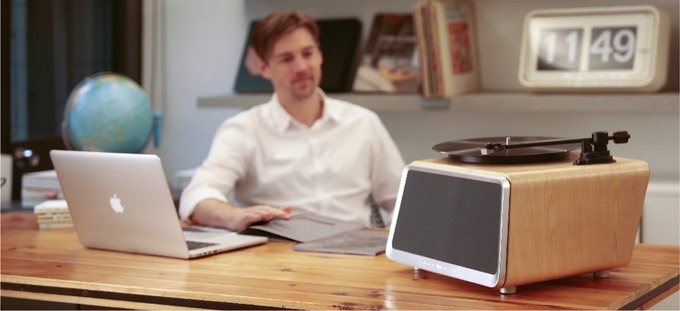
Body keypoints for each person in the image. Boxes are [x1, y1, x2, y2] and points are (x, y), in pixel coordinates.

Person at [178, 11, 405, 232]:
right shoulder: (242, 129)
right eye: (286, 59)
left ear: (320, 55)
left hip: (357, 256)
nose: (301, 68)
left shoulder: (363, 122)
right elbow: (197, 195)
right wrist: (234, 216)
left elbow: (403, 199)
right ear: (265, 69)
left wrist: (392, 237)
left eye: (308, 54)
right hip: (276, 258)